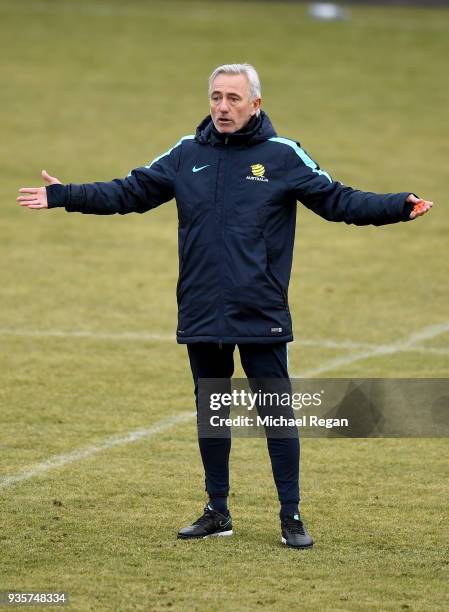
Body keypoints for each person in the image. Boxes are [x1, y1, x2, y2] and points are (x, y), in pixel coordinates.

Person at [17, 63, 432, 549]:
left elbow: (338, 200)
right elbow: (129, 192)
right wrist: (66, 194)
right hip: (201, 308)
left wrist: (395, 205)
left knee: (276, 413)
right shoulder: (186, 153)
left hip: (260, 309)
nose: (223, 107)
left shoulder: (282, 155)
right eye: (216, 97)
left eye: (234, 98)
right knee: (211, 411)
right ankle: (217, 511)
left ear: (256, 104)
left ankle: (291, 516)